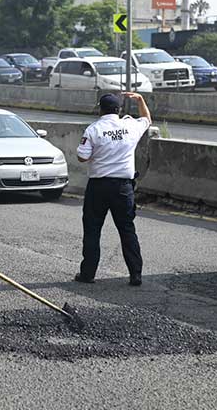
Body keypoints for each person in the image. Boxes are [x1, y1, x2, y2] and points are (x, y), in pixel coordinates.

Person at [75, 92, 151, 287]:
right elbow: (147, 120)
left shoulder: (94, 129)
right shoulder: (130, 126)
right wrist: (140, 100)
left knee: (92, 230)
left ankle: (88, 274)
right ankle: (136, 274)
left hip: (98, 186)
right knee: (127, 229)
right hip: (123, 187)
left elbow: (82, 157)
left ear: (100, 109)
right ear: (119, 110)